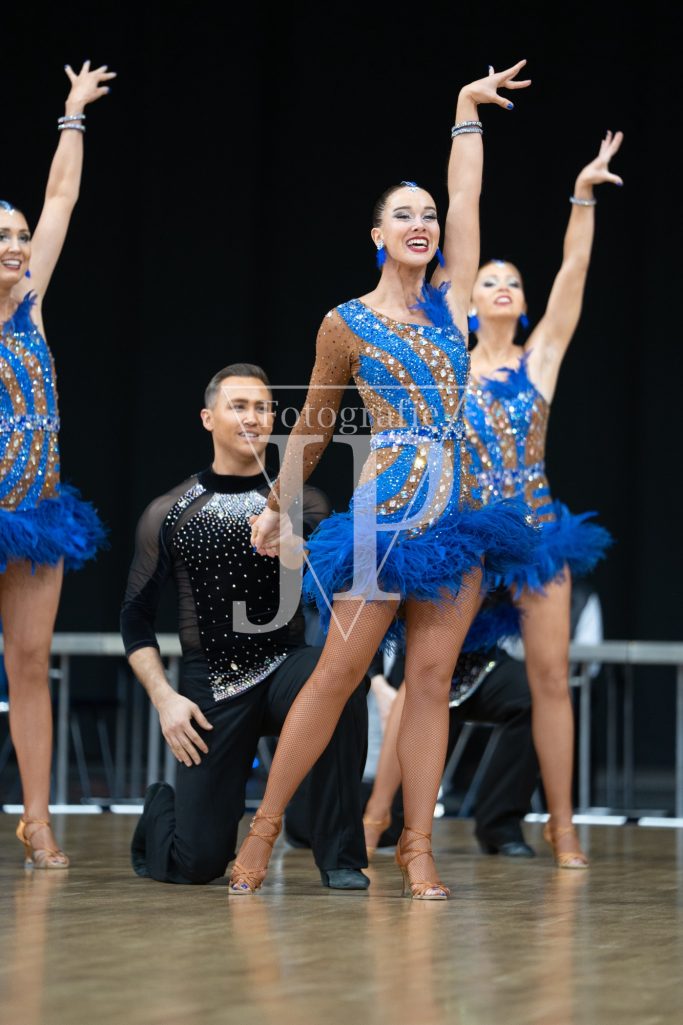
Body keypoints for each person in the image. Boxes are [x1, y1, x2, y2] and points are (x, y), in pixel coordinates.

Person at [230, 62, 534, 901]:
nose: (423, 223)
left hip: (456, 518)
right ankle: (263, 828)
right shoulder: (347, 322)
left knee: (430, 682)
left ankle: (416, 845)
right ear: (376, 233)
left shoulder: (451, 299)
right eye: (405, 214)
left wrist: (464, 111)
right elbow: (313, 424)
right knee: (337, 674)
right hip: (383, 517)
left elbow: (466, 194)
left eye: (427, 215)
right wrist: (277, 505)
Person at [121, 364, 370, 889]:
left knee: (342, 678)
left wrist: (302, 552)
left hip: (285, 667)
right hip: (211, 685)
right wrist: (165, 699)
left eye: (262, 408)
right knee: (197, 864)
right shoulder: (169, 512)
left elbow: (335, 587)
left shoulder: (304, 502)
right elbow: (135, 619)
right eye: (238, 406)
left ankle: (341, 857)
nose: (252, 418)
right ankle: (161, 807)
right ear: (208, 418)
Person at [462, 131, 623, 867]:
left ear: (523, 306)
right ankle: (384, 821)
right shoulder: (449, 365)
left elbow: (575, 270)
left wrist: (582, 196)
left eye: (512, 283)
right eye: (488, 281)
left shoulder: (540, 361)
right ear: (468, 305)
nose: (502, 287)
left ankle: (561, 824)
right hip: (469, 534)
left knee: (550, 678)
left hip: (533, 534)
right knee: (425, 678)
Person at [1, 62, 113, 869]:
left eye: (17, 236)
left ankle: (37, 818)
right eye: (1, 239)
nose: (15, 246)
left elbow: (61, 198)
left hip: (37, 513)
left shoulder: (31, 305)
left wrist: (72, 114)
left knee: (31, 659)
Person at [363, 647, 539, 858]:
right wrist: (377, 681)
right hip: (420, 668)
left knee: (534, 693)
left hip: (481, 660)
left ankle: (500, 825)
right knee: (396, 826)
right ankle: (375, 815)